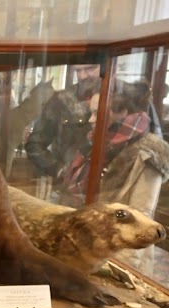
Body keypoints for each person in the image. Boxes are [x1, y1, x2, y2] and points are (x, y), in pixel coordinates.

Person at [61, 81, 169, 274]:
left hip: (119, 257)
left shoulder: (146, 153)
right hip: (90, 249)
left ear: (123, 112)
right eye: (91, 112)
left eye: (98, 113)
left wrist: (123, 274)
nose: (92, 120)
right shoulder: (98, 141)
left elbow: (141, 216)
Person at [25, 64, 102, 184]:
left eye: (89, 68)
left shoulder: (120, 97)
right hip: (67, 187)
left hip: (106, 184)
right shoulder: (61, 100)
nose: (82, 76)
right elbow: (34, 144)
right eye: (78, 70)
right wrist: (60, 170)